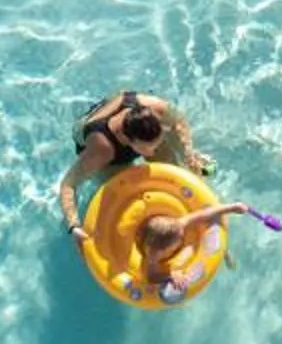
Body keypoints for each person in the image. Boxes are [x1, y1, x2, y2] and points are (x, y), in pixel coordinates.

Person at [58, 89, 211, 244]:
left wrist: (188, 152)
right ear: (128, 141)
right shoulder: (102, 150)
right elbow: (68, 184)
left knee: (176, 166)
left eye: (157, 142)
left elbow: (178, 120)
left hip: (119, 108)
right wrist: (73, 225)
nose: (154, 151)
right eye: (149, 148)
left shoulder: (153, 108)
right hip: (99, 137)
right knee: (126, 196)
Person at [135, 201, 253, 305]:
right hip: (171, 256)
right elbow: (151, 277)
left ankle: (225, 253)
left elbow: (203, 214)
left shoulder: (177, 225)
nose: (182, 237)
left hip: (169, 239)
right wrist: (170, 275)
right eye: (179, 239)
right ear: (164, 249)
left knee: (216, 242)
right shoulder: (153, 256)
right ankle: (224, 253)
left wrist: (232, 208)